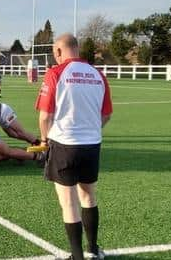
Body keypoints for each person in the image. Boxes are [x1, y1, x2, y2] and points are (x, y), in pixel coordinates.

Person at [35, 33, 112, 260]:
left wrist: (44, 141)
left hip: (64, 144)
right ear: (77, 49)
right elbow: (106, 114)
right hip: (92, 144)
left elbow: (44, 116)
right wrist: (89, 129)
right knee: (89, 196)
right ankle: (93, 250)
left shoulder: (56, 73)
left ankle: (77, 257)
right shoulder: (98, 75)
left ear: (58, 51)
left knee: (68, 202)